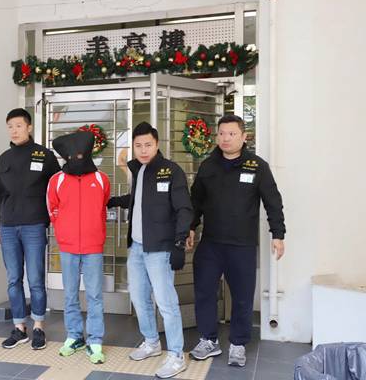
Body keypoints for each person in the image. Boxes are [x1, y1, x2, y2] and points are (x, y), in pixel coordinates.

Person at [187, 114, 285, 367]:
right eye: (221, 133)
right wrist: (190, 227)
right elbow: (196, 200)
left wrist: (277, 234)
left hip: (242, 245)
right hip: (211, 243)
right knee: (204, 293)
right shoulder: (208, 166)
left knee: (242, 296)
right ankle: (208, 340)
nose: (226, 138)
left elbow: (273, 201)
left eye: (231, 133)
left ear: (243, 136)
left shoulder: (257, 166)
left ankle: (238, 344)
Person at [108, 122, 192, 379]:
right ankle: (152, 342)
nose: (143, 150)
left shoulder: (171, 171)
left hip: (160, 249)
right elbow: (140, 202)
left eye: (147, 144)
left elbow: (183, 208)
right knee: (139, 298)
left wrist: (179, 243)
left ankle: (176, 356)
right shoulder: (139, 170)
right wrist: (112, 201)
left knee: (166, 303)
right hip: (137, 248)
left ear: (157, 144)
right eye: (138, 145)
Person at [0, 108, 60, 350]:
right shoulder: (3, 158)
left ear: (29, 127)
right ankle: (19, 328)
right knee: (13, 280)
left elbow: (57, 189)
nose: (14, 130)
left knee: (35, 280)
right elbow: (0, 195)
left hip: (34, 224)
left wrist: (53, 219)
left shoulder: (44, 155)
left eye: (19, 125)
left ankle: (38, 327)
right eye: (10, 126)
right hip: (8, 226)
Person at [46, 131, 110, 364]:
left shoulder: (101, 178)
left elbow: (103, 205)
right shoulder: (57, 180)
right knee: (70, 294)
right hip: (67, 246)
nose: (76, 158)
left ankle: (95, 340)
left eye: (81, 155)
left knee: (95, 295)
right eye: (71, 156)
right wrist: (64, 230)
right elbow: (52, 208)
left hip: (93, 245)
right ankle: (74, 336)